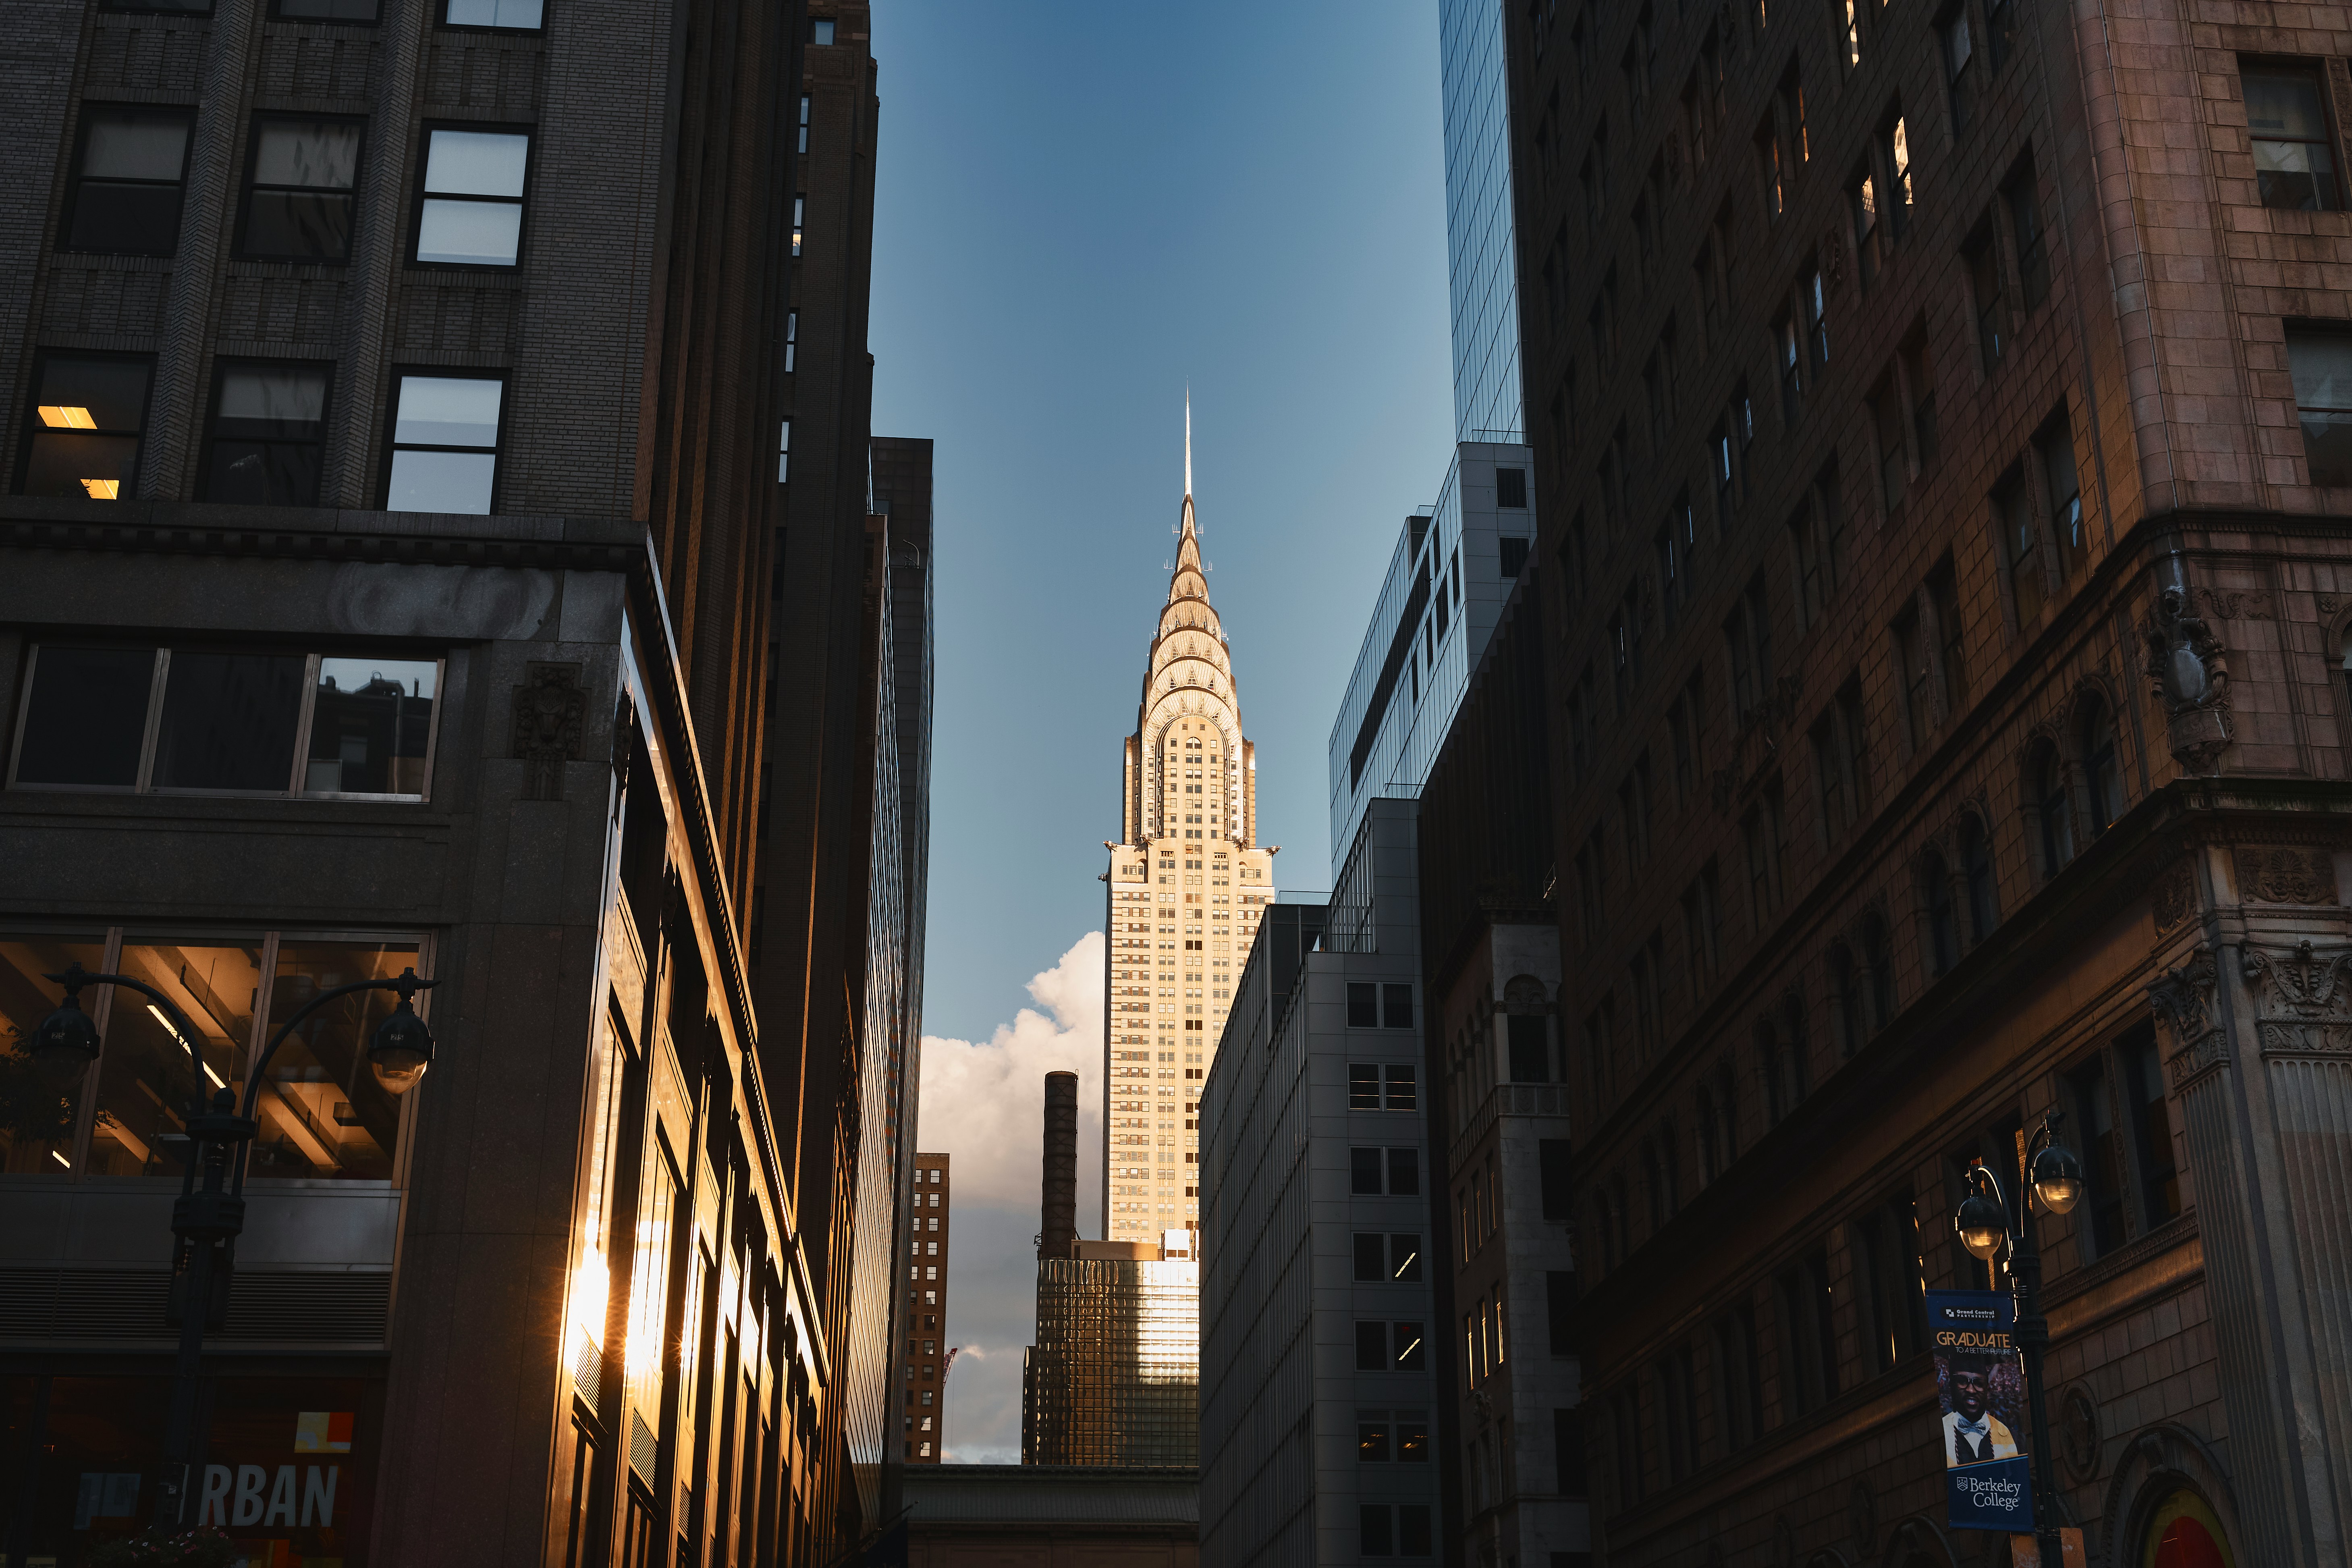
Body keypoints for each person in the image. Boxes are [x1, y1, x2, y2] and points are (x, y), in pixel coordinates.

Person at [1941, 1354, 2020, 1467]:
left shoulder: (2004, 1433)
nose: (1971, 1390)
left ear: (1987, 1388)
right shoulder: (1944, 1430)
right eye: (1963, 1382)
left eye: (1979, 1383)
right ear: (1952, 1385)